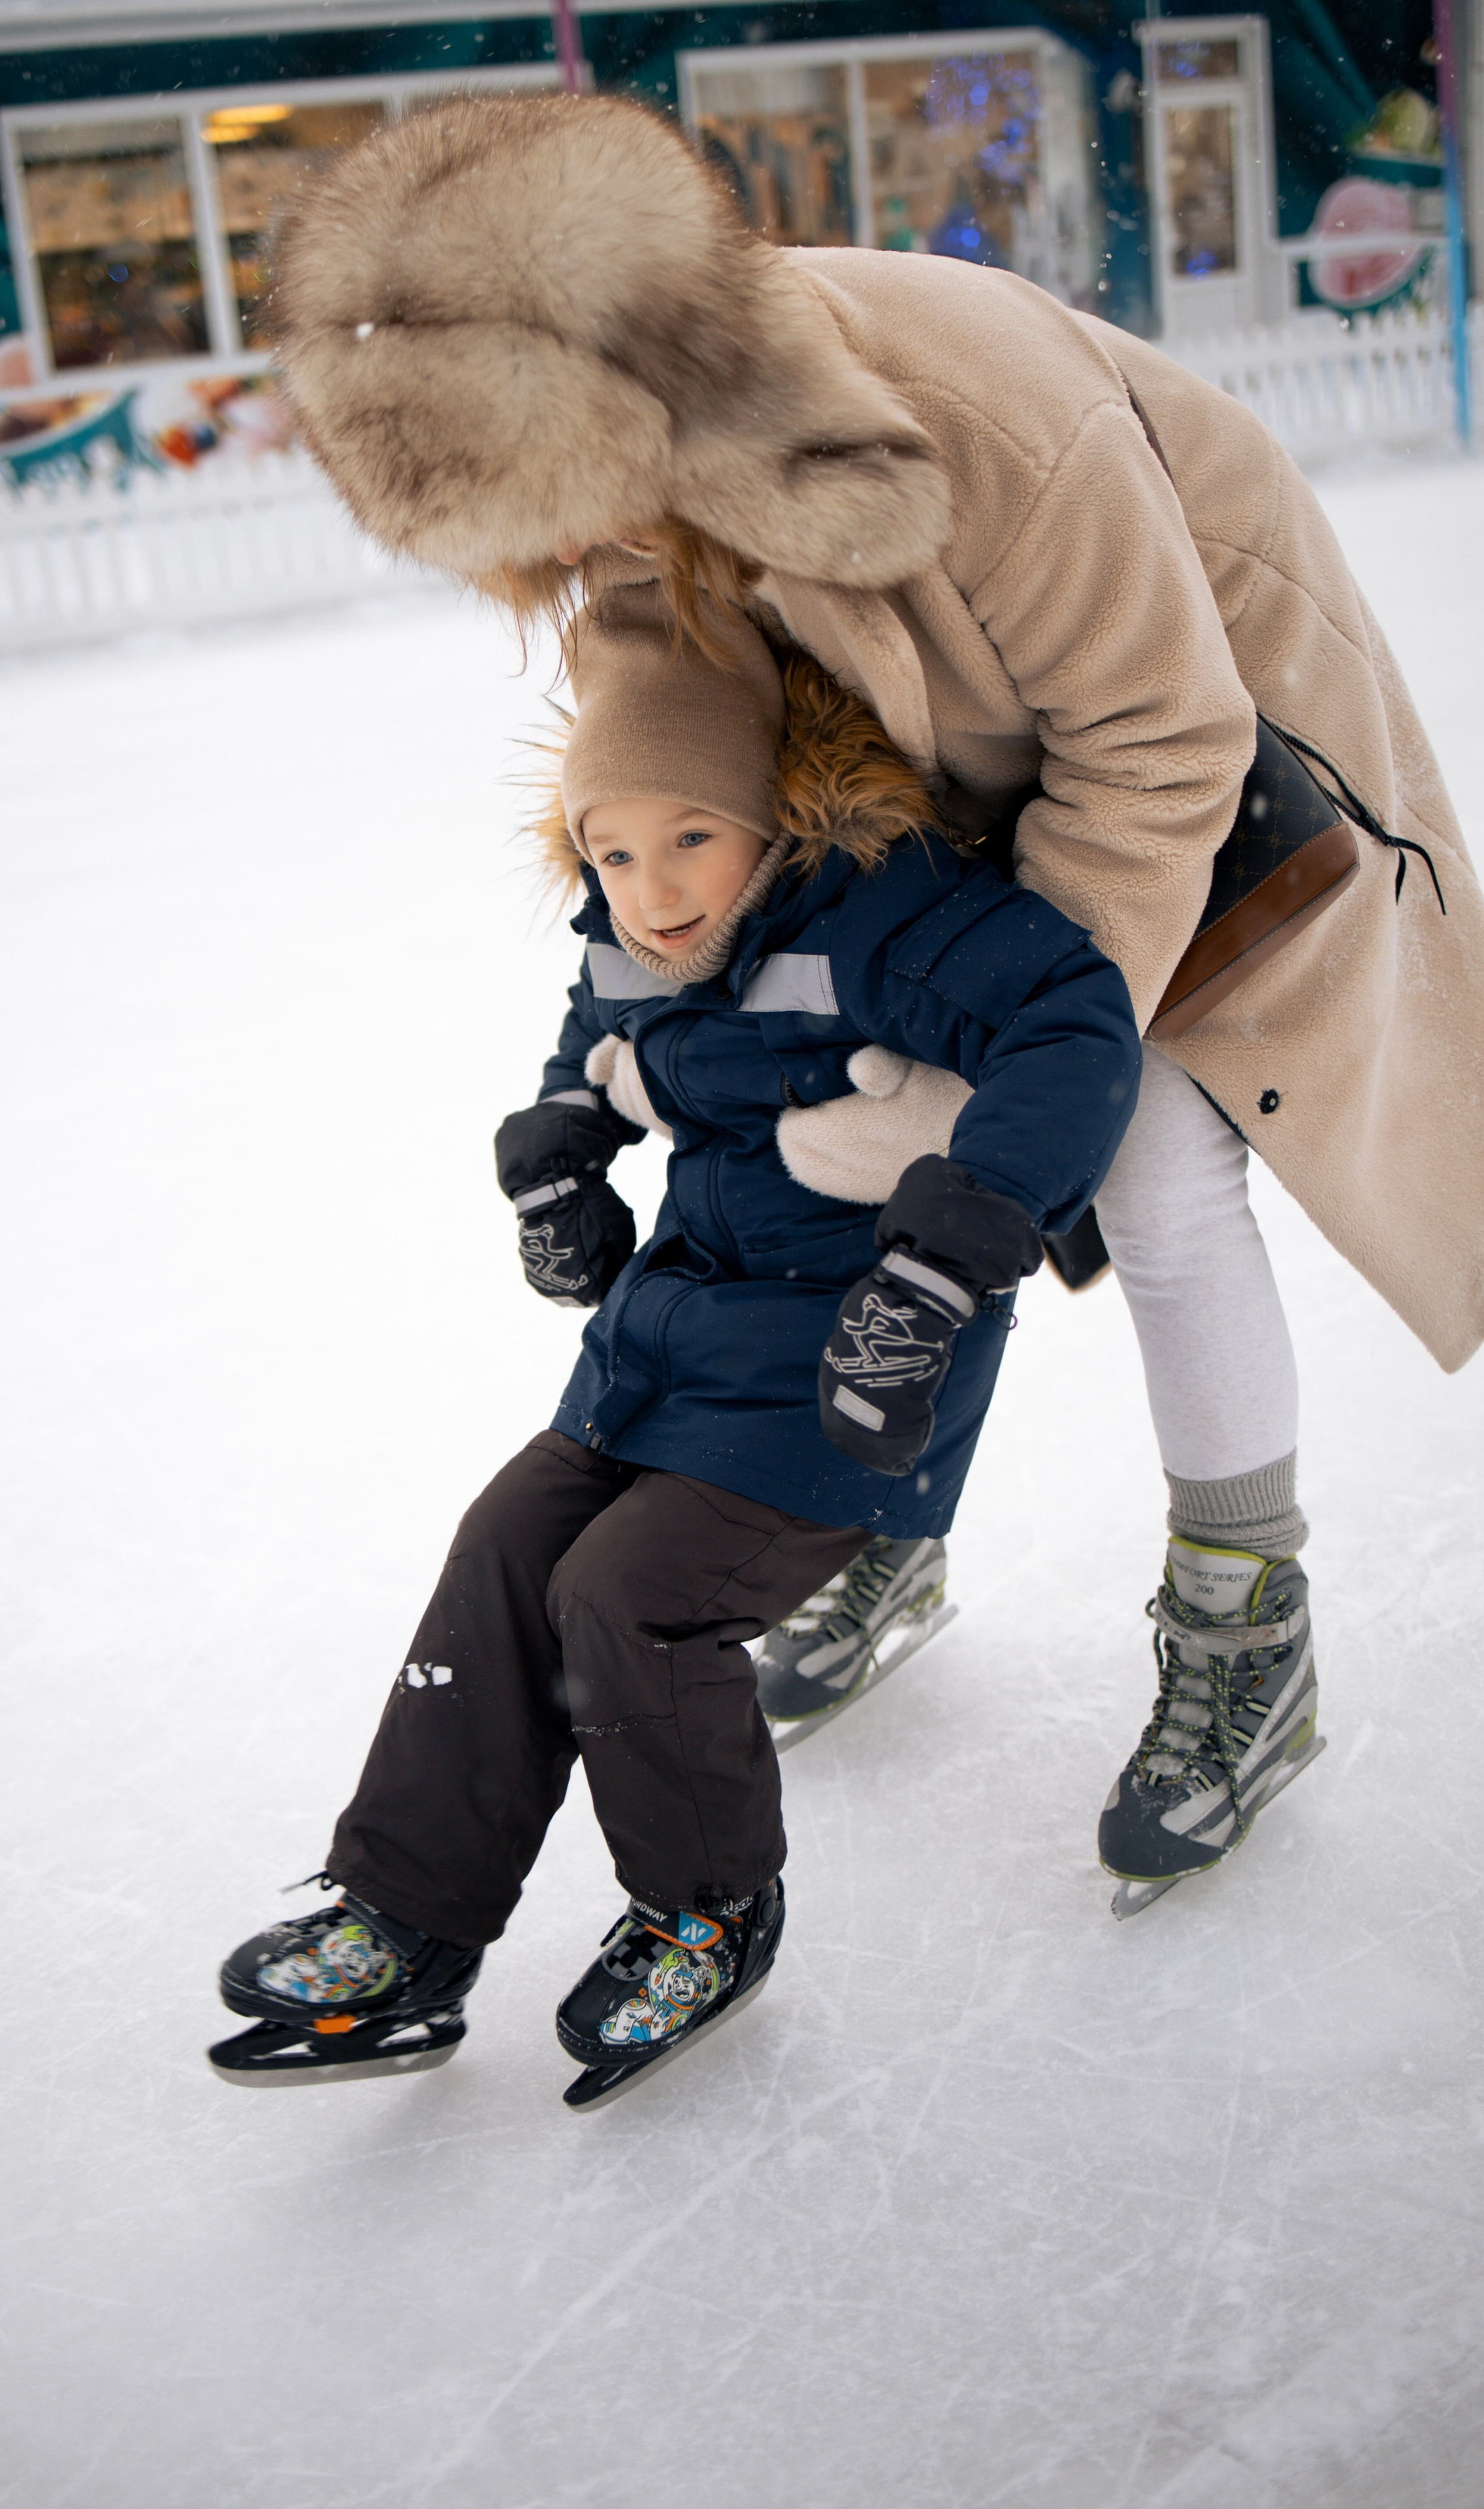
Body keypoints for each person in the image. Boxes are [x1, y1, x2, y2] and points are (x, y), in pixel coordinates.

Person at [268, 91, 1483, 1918]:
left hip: (1206, 752)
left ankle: (1249, 1620)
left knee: (1143, 1160)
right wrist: (627, 1023)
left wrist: (983, 1077)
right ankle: (866, 1514)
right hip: (912, 757)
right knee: (810, 1100)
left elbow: (1159, 752)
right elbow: (649, 698)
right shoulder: (617, 469)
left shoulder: (991, 423)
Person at [209, 584, 1141, 2106]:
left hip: (858, 1346)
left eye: (690, 836)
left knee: (628, 1597)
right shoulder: (631, 934)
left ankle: (705, 1914)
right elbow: (588, 1039)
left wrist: (948, 1255)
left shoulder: (889, 911)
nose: (650, 891)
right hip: (669, 1337)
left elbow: (1071, 1022)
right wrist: (563, 1152)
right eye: (613, 850)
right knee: (509, 1545)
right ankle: (408, 1917)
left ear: (769, 808)